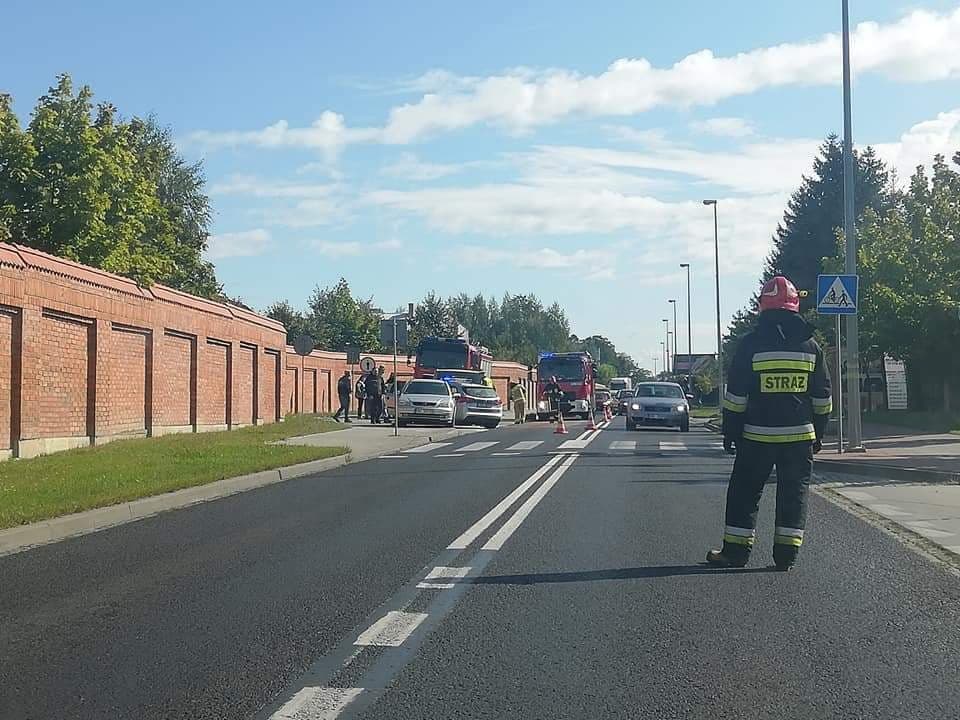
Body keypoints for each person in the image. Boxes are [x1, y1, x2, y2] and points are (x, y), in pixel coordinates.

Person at [706, 276, 832, 571]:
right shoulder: (811, 347)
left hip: (756, 438)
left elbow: (736, 395)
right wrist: (819, 433)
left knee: (744, 493)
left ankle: (735, 553)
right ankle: (786, 557)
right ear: (794, 307)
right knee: (794, 495)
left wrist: (731, 432)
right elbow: (823, 397)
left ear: (762, 307)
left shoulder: (750, 345)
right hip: (799, 438)